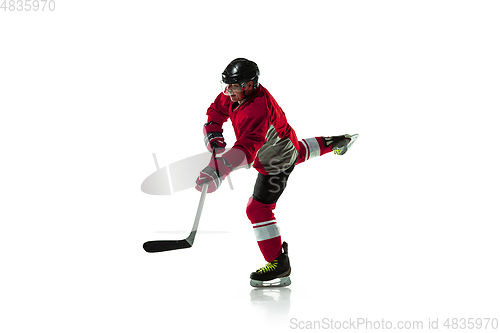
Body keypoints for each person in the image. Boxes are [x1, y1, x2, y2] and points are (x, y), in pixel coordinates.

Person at [195, 58, 358, 287]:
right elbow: (216, 111)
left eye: (233, 86)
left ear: (249, 85)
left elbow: (246, 150)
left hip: (275, 163)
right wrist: (213, 132)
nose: (228, 92)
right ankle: (337, 141)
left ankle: (279, 265)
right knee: (297, 151)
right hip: (283, 143)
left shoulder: (257, 109)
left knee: (257, 208)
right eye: (227, 86)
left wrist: (219, 169)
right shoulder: (234, 94)